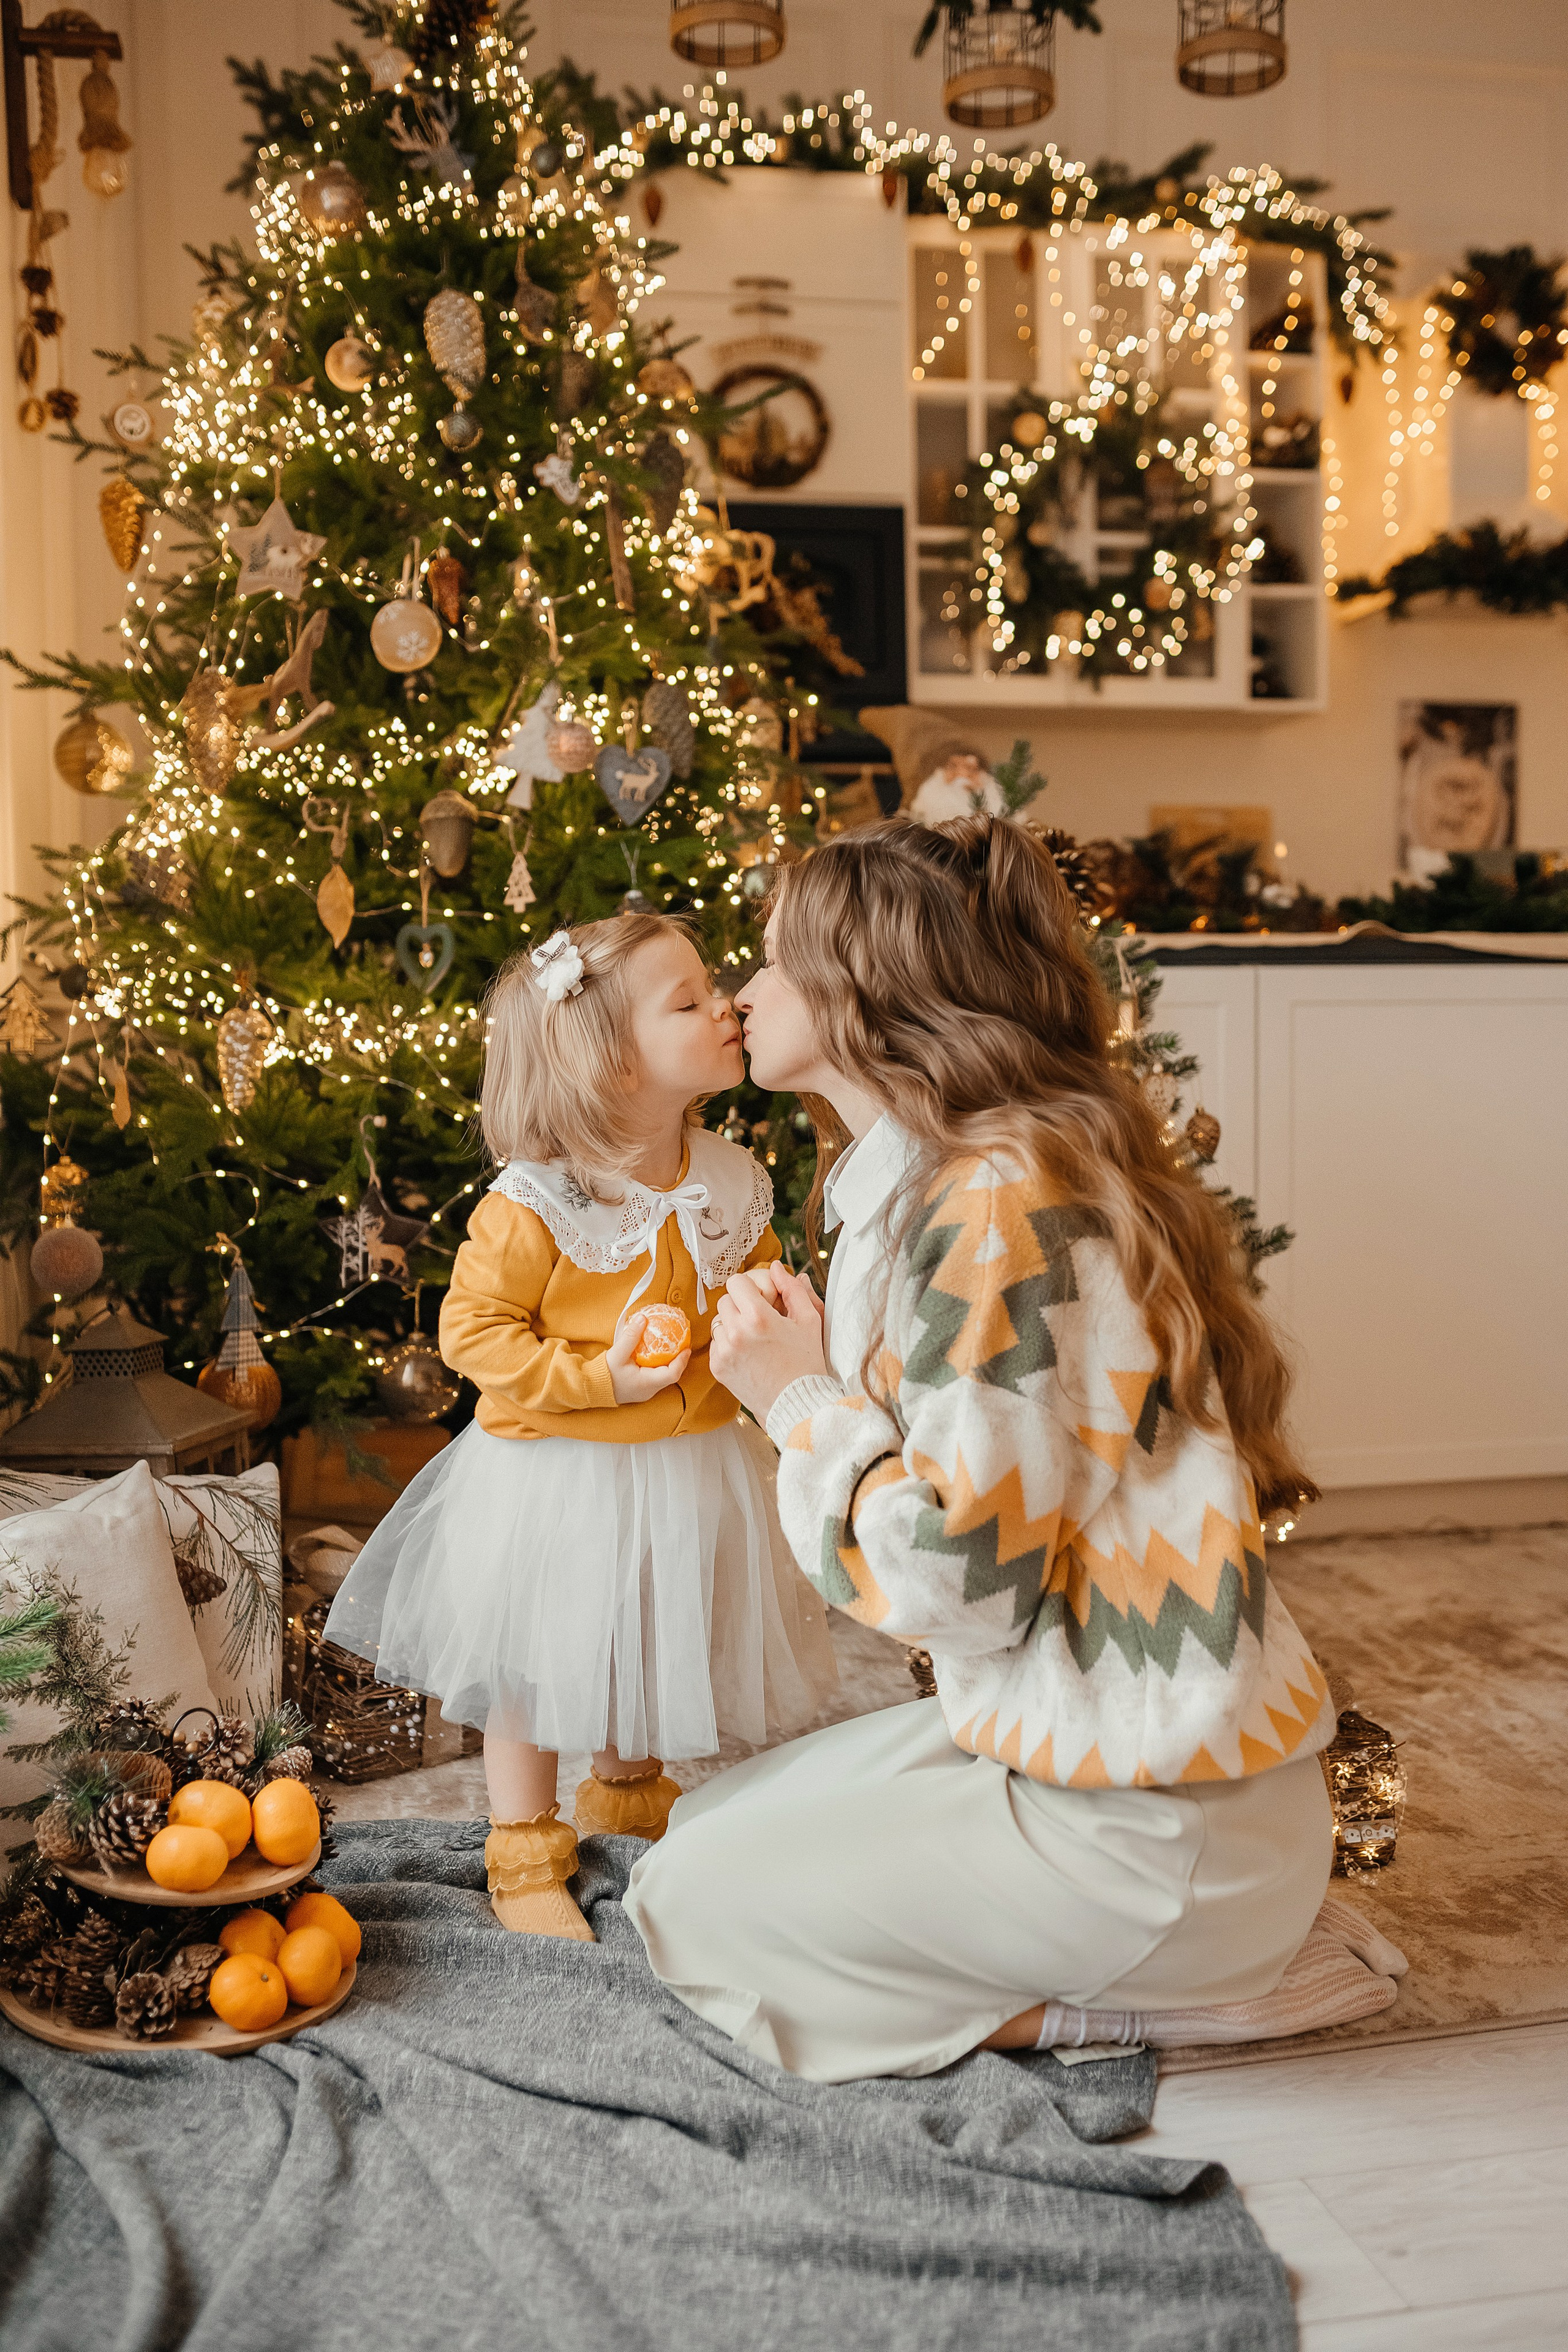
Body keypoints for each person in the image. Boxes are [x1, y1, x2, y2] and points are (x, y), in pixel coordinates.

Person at [624, 818, 1336, 2081]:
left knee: (698, 1916)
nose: (744, 994)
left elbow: (961, 1581)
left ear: (866, 996)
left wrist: (796, 1406)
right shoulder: (951, 1179)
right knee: (703, 1829)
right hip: (1109, 1762)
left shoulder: (994, 1210)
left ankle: (1145, 2008)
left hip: (1155, 1832)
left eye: (777, 962)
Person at [325, 915, 835, 1939]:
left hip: (689, 1462)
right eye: (687, 1001)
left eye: (715, 987)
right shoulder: (541, 1200)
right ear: (610, 1061)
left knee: (643, 1638)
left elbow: (753, 1289)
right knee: (535, 1663)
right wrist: (598, 1373)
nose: (728, 1003)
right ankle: (522, 1850)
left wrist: (783, 1322)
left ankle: (631, 1804)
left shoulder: (731, 1176)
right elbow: (473, 1332)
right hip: (556, 1472)